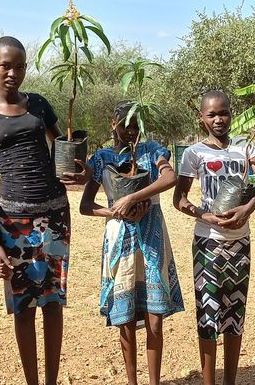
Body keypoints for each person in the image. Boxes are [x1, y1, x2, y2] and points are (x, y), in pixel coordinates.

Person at [0, 36, 89, 385]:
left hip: (55, 214)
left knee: (52, 301)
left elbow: (63, 147)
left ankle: (51, 381)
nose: (12, 73)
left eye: (19, 66)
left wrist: (80, 168)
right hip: (12, 221)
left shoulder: (39, 106)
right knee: (22, 305)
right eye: (5, 65)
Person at [79, 101, 185, 385]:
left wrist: (134, 198)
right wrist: (115, 210)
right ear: (113, 124)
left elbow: (170, 177)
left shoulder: (153, 151)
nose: (131, 131)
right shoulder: (102, 158)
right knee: (124, 315)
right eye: (125, 124)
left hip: (151, 237)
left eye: (136, 125)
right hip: (120, 239)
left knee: (154, 315)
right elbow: (86, 205)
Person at [173, 90, 255, 385]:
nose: (219, 119)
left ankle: (229, 380)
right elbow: (179, 198)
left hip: (240, 242)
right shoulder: (193, 153)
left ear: (232, 113)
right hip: (208, 243)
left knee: (234, 314)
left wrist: (248, 208)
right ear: (201, 117)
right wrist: (205, 216)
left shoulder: (246, 146)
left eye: (224, 113)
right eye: (212, 114)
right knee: (208, 314)